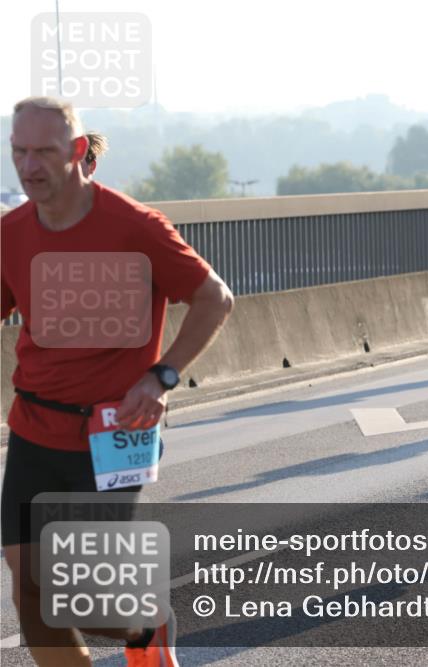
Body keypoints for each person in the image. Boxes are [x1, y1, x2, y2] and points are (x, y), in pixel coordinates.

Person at [1, 97, 234, 666]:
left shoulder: (135, 226)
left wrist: (161, 376)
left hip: (114, 431)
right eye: (18, 152)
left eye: (44, 152)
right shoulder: (9, 233)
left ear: (78, 152)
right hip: (35, 425)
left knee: (77, 593)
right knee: (30, 588)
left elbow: (214, 298)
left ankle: (144, 623)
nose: (29, 166)